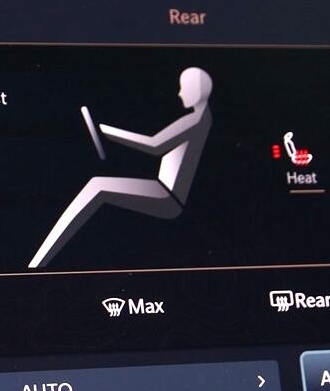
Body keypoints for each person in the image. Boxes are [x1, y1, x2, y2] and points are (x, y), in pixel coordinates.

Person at [29, 67, 213, 269]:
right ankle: (38, 262)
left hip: (167, 196)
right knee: (97, 185)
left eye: (185, 87)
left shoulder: (193, 120)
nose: (180, 93)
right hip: (165, 190)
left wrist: (106, 131)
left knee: (97, 186)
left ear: (199, 90)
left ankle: (38, 263)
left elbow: (154, 146)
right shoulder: (203, 118)